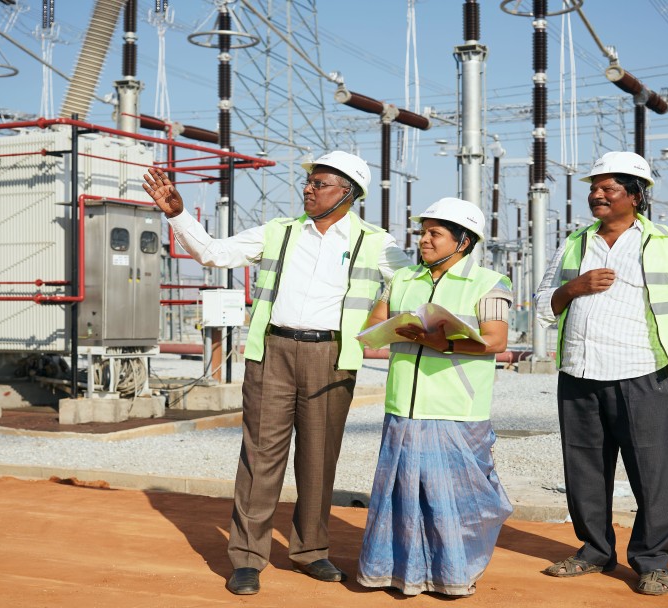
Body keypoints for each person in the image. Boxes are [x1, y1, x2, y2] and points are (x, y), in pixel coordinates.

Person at [143, 151, 411, 596]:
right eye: (308, 183)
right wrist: (178, 214)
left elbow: (418, 282)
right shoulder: (279, 233)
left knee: (319, 457)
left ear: (347, 193)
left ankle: (311, 551)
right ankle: (247, 558)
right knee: (260, 457)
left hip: (331, 356)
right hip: (272, 353)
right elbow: (212, 254)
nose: (308, 188)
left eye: (319, 183)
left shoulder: (376, 242)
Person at [534, 151, 668, 596]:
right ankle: (594, 550)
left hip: (643, 373)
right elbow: (540, 307)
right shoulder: (574, 243)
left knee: (651, 473)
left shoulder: (667, 244)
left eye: (608, 188)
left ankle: (652, 561)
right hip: (579, 372)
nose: (597, 195)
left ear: (635, 195)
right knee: (584, 469)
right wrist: (572, 288)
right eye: (594, 188)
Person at [356, 197, 513, 597]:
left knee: (459, 501)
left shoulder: (488, 283)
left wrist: (442, 342)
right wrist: (396, 327)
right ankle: (397, 571)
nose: (423, 240)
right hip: (403, 408)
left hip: (457, 409)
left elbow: (495, 340)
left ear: (463, 242)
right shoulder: (403, 279)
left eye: (434, 233)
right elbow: (375, 322)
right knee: (402, 497)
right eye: (423, 232)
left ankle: (452, 575)